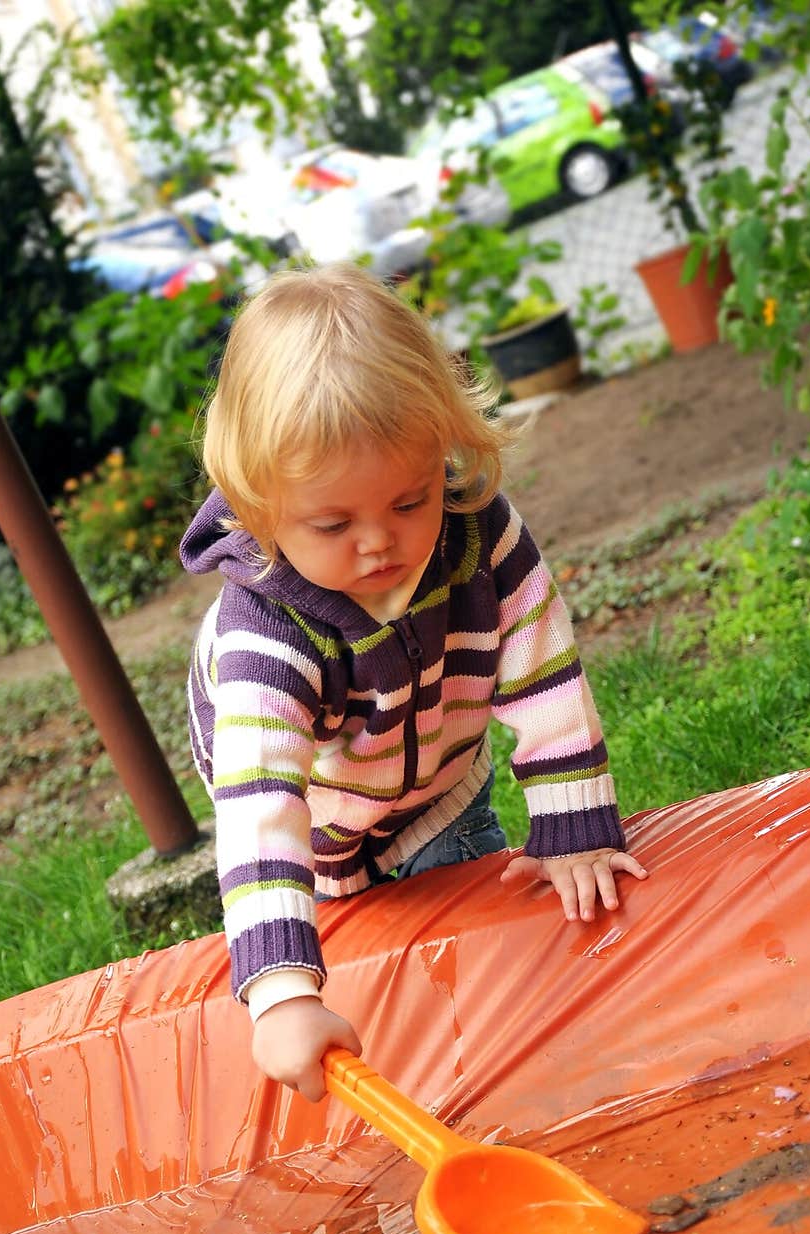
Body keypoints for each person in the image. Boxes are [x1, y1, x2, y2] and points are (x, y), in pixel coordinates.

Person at [179, 260, 648, 1104]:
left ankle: (515, 1092)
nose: (380, 542)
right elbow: (261, 811)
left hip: (439, 776)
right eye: (333, 522)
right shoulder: (265, 640)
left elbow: (540, 662)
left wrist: (574, 823)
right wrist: (282, 993)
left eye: (410, 498)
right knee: (359, 962)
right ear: (258, 506)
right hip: (314, 806)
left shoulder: (478, 536)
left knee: (483, 954)